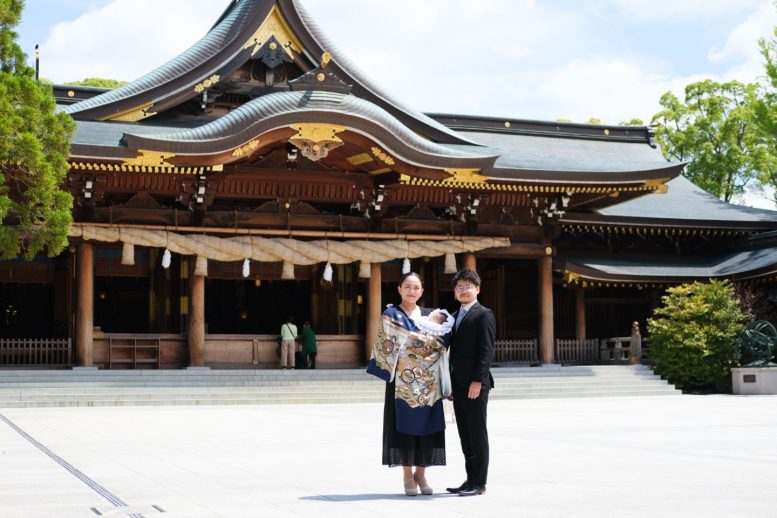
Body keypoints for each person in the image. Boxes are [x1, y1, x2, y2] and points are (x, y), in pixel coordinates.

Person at [366, 272, 450, 496]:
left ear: (422, 291)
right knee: (403, 429)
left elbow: (442, 342)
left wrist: (424, 345)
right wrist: (419, 345)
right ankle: (406, 475)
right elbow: (386, 343)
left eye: (416, 287)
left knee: (429, 429)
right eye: (408, 286)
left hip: (428, 384)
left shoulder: (432, 316)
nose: (412, 291)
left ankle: (421, 474)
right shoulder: (391, 314)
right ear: (399, 289)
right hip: (401, 383)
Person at [446, 268, 495, 497]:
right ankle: (469, 480)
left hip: (475, 385)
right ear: (455, 291)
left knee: (477, 433)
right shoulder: (453, 317)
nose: (463, 290)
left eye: (468, 286)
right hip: (457, 385)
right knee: (465, 434)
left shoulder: (484, 314)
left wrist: (478, 380)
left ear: (478, 289)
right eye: (459, 286)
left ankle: (480, 482)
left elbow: (486, 352)